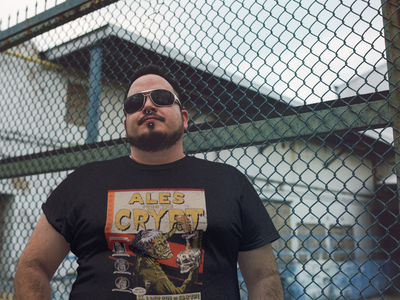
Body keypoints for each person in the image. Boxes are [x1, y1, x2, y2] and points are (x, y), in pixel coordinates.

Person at [14, 64, 284, 299]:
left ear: (185, 118)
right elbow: (33, 265)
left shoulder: (230, 183)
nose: (148, 105)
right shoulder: (84, 182)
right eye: (135, 103)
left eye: (162, 97)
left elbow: (264, 277)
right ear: (126, 123)